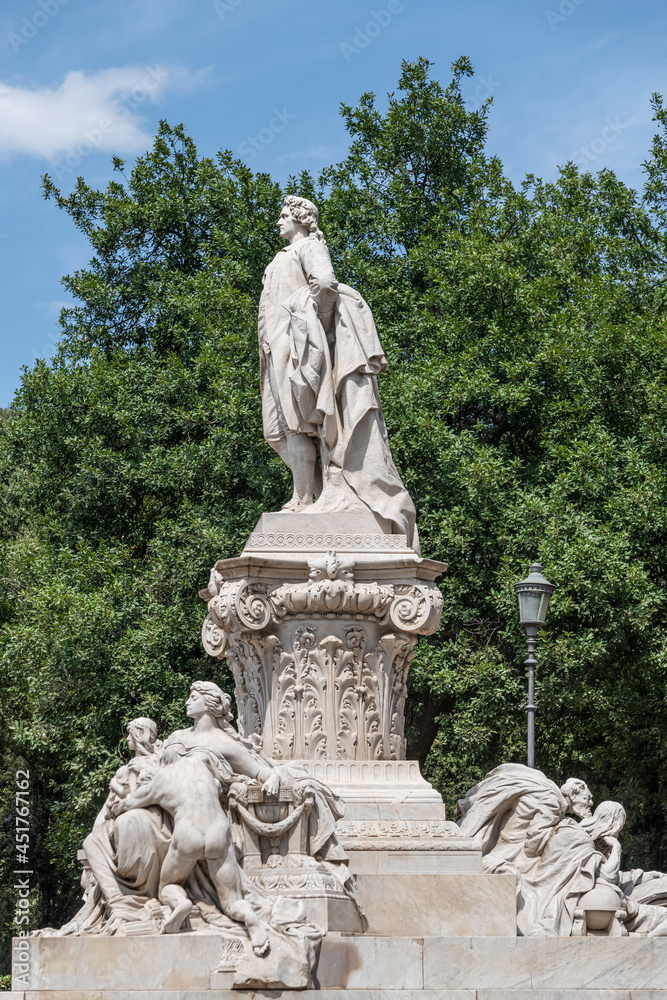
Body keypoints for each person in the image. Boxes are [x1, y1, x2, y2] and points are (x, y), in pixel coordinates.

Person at [259, 194, 419, 550]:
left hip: (297, 349)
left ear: (302, 219)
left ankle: (302, 500)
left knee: (297, 424)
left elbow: (327, 284)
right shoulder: (281, 257)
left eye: (285, 215)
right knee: (276, 431)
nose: (279, 221)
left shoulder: (309, 248)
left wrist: (316, 325)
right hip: (275, 351)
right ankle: (315, 493)